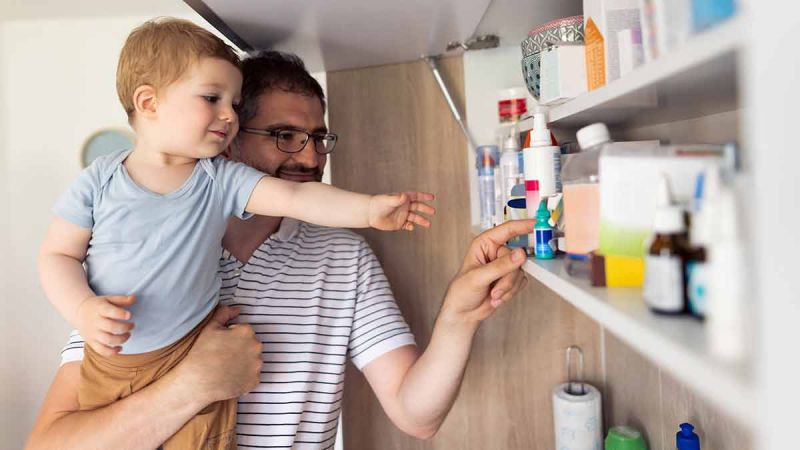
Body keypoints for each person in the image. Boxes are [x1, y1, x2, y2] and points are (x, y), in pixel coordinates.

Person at [26, 50, 533, 449]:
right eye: (284, 135)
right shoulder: (145, 253)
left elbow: (416, 416)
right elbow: (51, 444)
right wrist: (192, 385)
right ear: (226, 140)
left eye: (317, 137)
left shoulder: (344, 258)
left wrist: (460, 317)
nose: (310, 156)